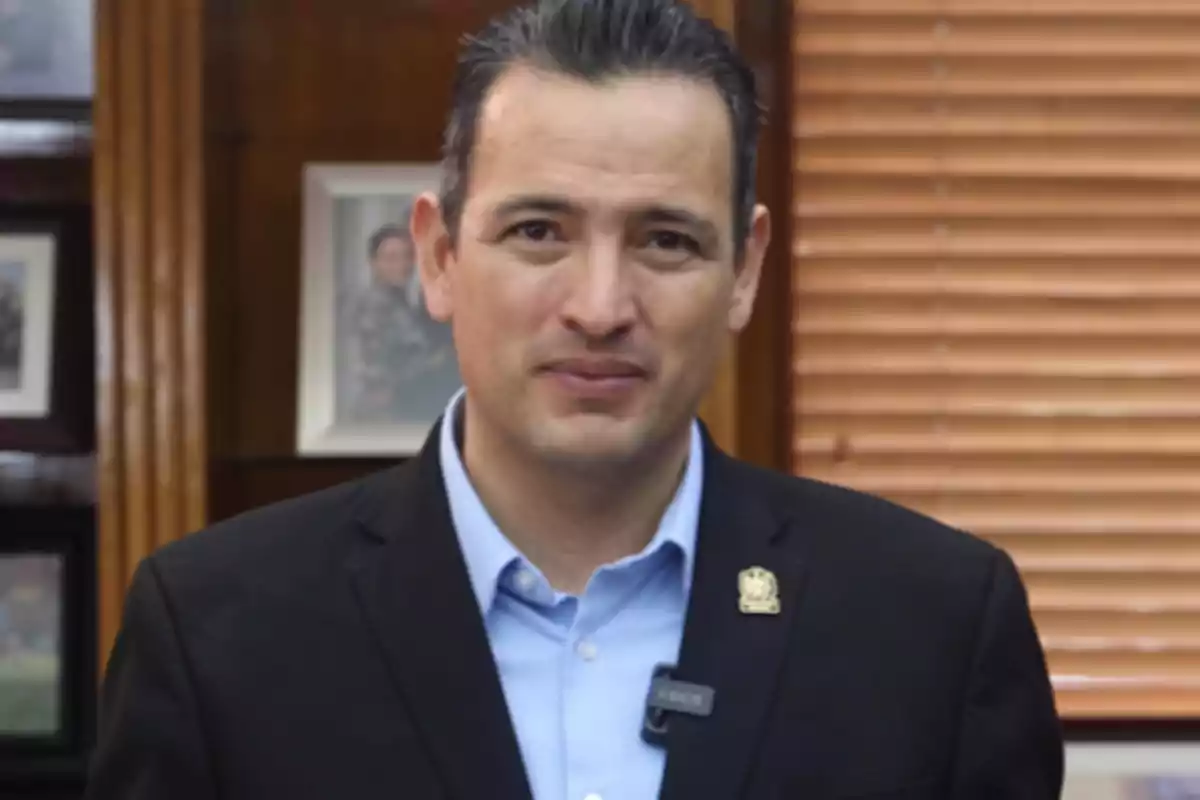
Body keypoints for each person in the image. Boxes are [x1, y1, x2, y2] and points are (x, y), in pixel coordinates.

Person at [85, 0, 1065, 798]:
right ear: (438, 255)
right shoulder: (216, 629)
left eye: (666, 240)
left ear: (744, 271)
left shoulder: (931, 624)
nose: (601, 308)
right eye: (540, 231)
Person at [342, 220, 458, 422]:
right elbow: (388, 367)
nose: (402, 265)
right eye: (391, 258)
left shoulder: (399, 302)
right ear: (373, 262)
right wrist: (444, 357)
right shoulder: (374, 306)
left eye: (407, 257)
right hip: (381, 415)